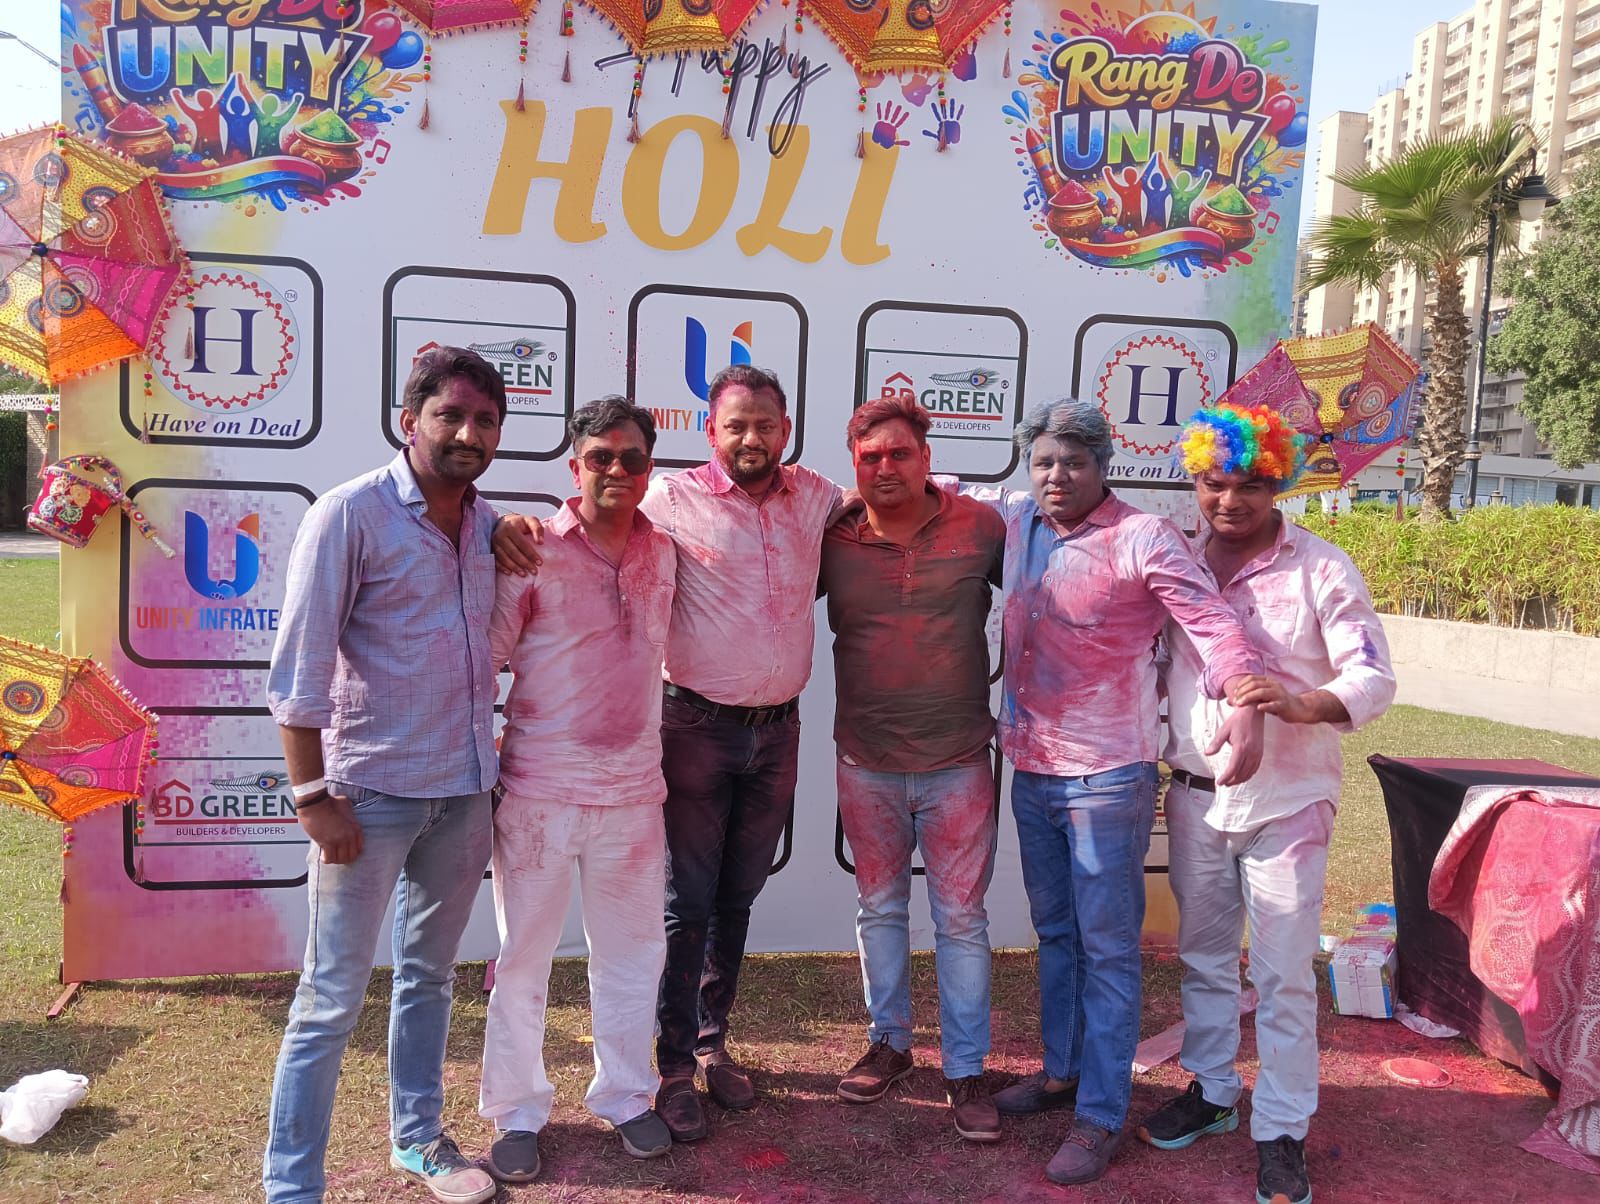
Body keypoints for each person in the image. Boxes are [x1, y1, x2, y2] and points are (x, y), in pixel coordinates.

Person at [494, 364, 840, 1143]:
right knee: (684, 905)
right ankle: (672, 1068)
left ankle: (709, 1045)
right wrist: (498, 523)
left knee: (734, 900)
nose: (750, 438)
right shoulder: (667, 501)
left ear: (786, 431)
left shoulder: (816, 496)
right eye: (735, 425)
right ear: (710, 431)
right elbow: (579, 521)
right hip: (689, 731)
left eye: (765, 425)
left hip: (775, 734)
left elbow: (889, 501)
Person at [970, 397, 1266, 1187]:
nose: (1056, 476)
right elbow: (939, 493)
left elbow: (1212, 625)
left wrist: (1244, 698)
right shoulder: (1019, 520)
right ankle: (1062, 1073)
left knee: (1107, 951)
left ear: (1103, 466)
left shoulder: (1144, 537)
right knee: (1056, 934)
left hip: (1108, 778)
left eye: (1073, 462)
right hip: (1031, 768)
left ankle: (1101, 1114)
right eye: (1043, 462)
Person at [1138, 402, 1396, 1204]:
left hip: (1289, 801)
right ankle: (1214, 1090)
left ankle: (1282, 1128)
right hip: (1194, 798)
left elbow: (1373, 676)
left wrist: (1299, 701)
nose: (1230, 500)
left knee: (1283, 973)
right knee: (1204, 958)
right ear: (1194, 479)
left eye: (1251, 484)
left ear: (1278, 483)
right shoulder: (1173, 562)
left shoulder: (1322, 567)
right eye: (1215, 483)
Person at [264, 347, 504, 1204]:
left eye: (485, 420)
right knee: (330, 998)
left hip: (464, 793)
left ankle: (418, 1138)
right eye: (451, 415)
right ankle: (292, 1185)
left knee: (430, 980)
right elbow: (298, 670)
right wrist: (311, 797)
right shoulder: (349, 514)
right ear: (410, 422)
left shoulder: (488, 525)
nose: (469, 433)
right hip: (367, 798)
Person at [478, 398, 678, 1181]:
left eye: (632, 458)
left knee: (634, 953)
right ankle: (517, 1111)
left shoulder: (665, 551)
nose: (617, 470)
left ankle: (626, 1095)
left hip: (635, 794)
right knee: (522, 958)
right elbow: (485, 659)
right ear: (576, 465)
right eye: (601, 457)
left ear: (649, 469)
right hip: (540, 793)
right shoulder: (531, 550)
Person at [819, 398, 1008, 1142]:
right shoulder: (831, 535)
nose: (886, 468)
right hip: (865, 761)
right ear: (854, 464)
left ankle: (965, 1069)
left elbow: (1050, 591)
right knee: (879, 909)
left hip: (958, 761)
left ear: (927, 458)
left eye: (900, 453)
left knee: (961, 920)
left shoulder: (982, 527)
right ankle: (890, 1044)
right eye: (870, 458)